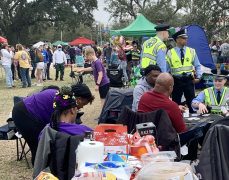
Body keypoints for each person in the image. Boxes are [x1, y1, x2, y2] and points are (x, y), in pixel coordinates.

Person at [12, 83, 95, 164]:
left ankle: (41, 166)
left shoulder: (61, 97)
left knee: (42, 143)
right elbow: (61, 126)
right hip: (24, 114)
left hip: (28, 113)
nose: (81, 107)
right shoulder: (59, 99)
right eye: (83, 104)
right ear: (79, 99)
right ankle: (39, 170)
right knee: (39, 148)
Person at [166, 29, 202, 113]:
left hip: (189, 80)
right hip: (176, 81)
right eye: (183, 38)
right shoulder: (170, 53)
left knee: (191, 101)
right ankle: (177, 118)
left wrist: (199, 77)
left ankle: (193, 118)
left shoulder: (191, 51)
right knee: (176, 102)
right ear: (177, 40)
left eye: (186, 38)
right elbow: (166, 69)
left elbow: (197, 65)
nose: (186, 40)